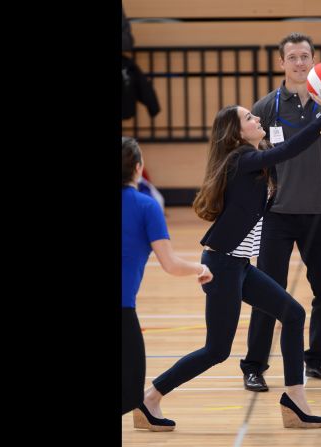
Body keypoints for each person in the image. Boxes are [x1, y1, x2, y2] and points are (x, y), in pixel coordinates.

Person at [139, 93, 321, 431]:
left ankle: (295, 398)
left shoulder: (253, 160)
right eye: (249, 118)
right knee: (216, 350)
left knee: (293, 314)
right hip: (220, 267)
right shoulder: (240, 160)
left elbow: (284, 151)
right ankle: (150, 398)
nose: (257, 120)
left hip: (241, 267)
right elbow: (288, 150)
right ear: (236, 133)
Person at [239, 32, 321, 392]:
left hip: (320, 213)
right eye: (292, 57)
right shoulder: (266, 107)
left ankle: (318, 359)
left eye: (305, 56)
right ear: (281, 63)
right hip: (276, 216)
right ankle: (254, 365)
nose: (299, 62)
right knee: (267, 292)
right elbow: (250, 160)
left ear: (313, 59)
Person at [121, 136, 214, 431]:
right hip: (123, 309)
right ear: (138, 167)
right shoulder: (147, 207)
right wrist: (201, 268)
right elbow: (171, 264)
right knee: (131, 390)